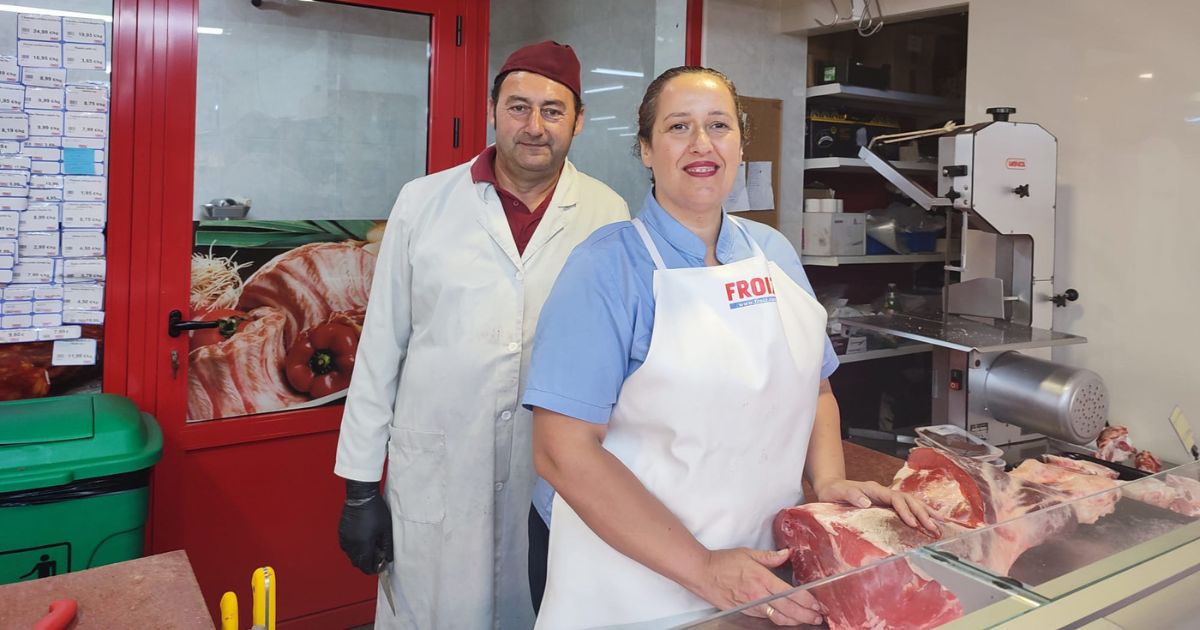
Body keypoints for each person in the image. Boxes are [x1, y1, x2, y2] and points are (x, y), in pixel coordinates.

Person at [524, 66, 941, 628]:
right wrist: (703, 567)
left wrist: (829, 480)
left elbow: (814, 388)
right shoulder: (607, 268)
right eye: (678, 127)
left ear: (740, 144)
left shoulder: (773, 253)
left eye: (718, 125)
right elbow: (562, 451)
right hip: (632, 590)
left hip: (761, 578)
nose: (702, 144)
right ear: (646, 150)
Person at [334, 41, 629, 630]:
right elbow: (380, 350)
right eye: (519, 107)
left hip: (555, 479)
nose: (535, 126)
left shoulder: (608, 214)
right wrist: (361, 489)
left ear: (578, 120)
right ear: (493, 109)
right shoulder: (422, 203)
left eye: (553, 110)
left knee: (544, 612)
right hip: (440, 472)